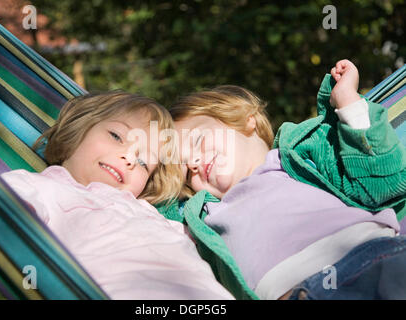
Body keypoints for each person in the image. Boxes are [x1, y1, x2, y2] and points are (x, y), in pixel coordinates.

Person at [171, 59, 406, 300]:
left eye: (197, 141)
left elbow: (382, 183)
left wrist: (347, 100)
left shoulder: (299, 158)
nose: (194, 163)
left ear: (244, 119)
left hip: (371, 257)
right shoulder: (204, 217)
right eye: (187, 173)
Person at [0, 91, 234, 300]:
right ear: (77, 129)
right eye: (116, 136)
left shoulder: (149, 212)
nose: (128, 157)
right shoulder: (41, 187)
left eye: (142, 162)